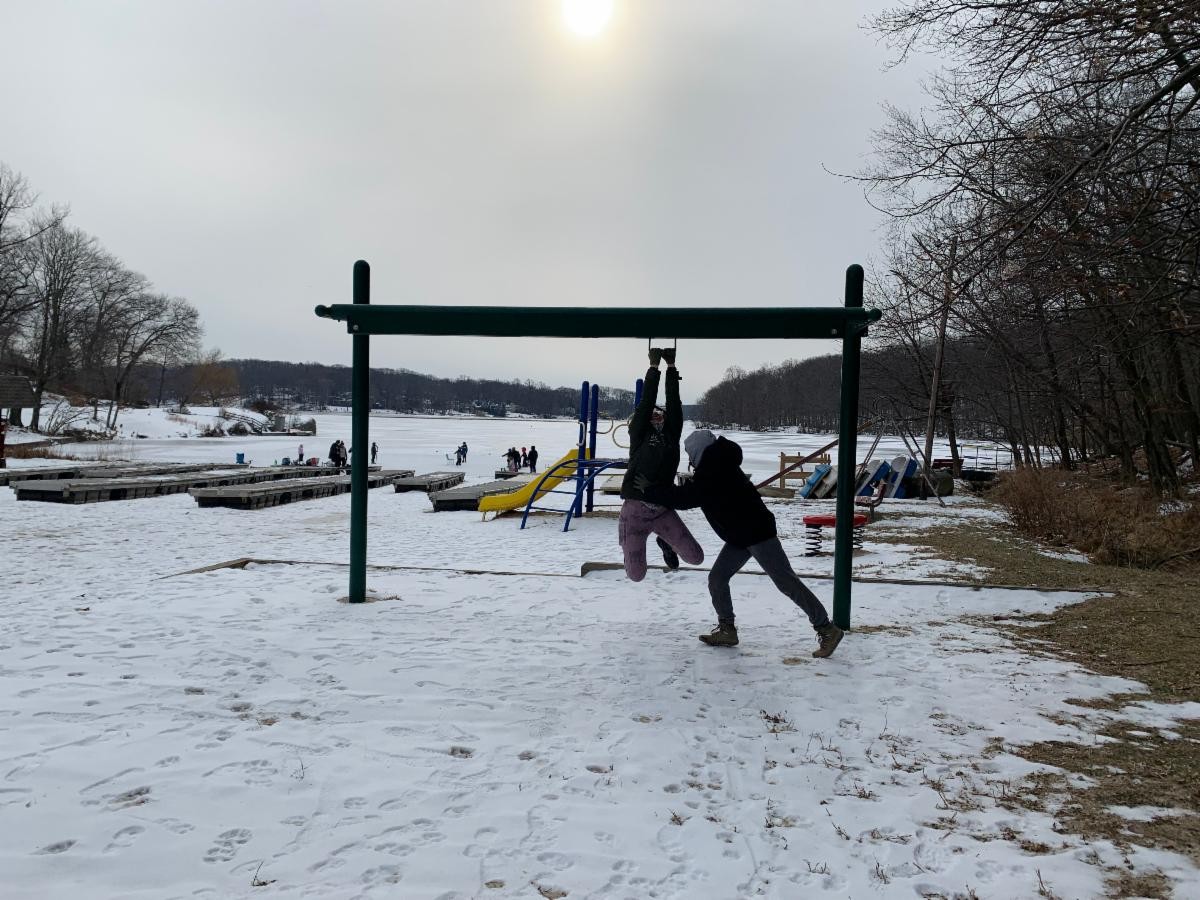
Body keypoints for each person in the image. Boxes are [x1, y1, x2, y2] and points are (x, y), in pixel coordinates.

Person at [635, 429, 844, 658]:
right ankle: (727, 630)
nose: (690, 459)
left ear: (698, 451)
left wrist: (650, 490)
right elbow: (693, 492)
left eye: (690, 453)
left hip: (756, 533)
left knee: (786, 582)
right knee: (717, 578)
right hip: (740, 536)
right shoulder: (717, 464)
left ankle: (826, 628)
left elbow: (687, 498)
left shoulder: (714, 469)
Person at [618, 347, 704, 580]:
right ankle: (630, 541)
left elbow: (674, 402)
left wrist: (672, 367)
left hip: (662, 507)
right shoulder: (639, 434)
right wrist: (653, 367)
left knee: (696, 557)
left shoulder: (671, 434)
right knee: (636, 575)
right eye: (652, 414)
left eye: (661, 413)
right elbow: (646, 402)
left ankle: (665, 543)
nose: (657, 415)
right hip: (635, 510)